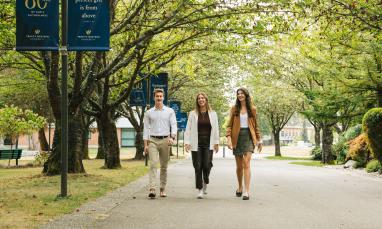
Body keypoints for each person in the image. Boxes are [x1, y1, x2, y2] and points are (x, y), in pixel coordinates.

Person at [226, 87, 262, 200]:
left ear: (246, 95)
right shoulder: (234, 109)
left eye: (242, 93)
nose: (240, 95)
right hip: (237, 137)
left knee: (246, 163)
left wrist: (259, 140)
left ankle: (247, 191)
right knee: (239, 166)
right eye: (238, 94)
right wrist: (228, 138)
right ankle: (239, 187)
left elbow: (255, 126)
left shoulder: (253, 109)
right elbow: (229, 125)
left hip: (249, 137)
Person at [143, 88, 177, 199]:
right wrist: (145, 145)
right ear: (154, 98)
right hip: (152, 140)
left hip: (165, 140)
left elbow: (174, 125)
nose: (159, 98)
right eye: (157, 96)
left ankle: (162, 189)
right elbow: (145, 129)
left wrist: (172, 137)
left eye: (160, 96)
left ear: (163, 97)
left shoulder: (170, 111)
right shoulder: (148, 113)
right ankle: (152, 188)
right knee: (153, 164)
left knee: (164, 166)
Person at [185, 92, 219, 199]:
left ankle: (206, 181)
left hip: (208, 143)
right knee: (197, 166)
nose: (201, 100)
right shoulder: (192, 114)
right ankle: (199, 189)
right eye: (199, 98)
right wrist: (187, 142)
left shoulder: (213, 114)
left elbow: (216, 128)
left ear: (206, 100)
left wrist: (216, 142)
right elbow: (188, 128)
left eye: (202, 98)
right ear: (197, 101)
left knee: (207, 165)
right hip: (196, 143)